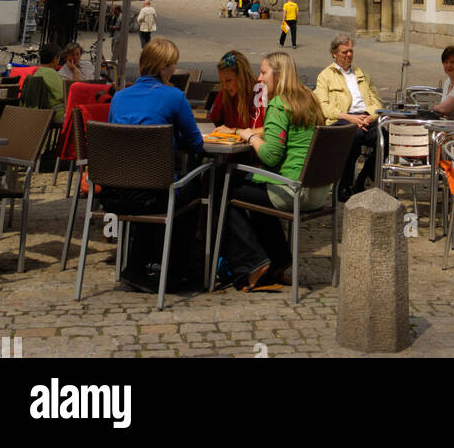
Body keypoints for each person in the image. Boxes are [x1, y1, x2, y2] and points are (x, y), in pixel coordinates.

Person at [106, 37, 205, 292]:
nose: (174, 70)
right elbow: (195, 143)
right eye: (173, 65)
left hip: (114, 191)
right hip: (154, 194)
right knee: (193, 190)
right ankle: (176, 271)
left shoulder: (119, 97)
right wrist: (170, 136)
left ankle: (137, 266)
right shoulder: (173, 96)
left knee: (151, 182)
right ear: (163, 67)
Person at [224, 52, 328, 291]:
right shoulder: (308, 99)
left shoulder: (279, 104)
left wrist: (249, 135)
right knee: (254, 187)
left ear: (278, 75)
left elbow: (271, 155)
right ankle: (278, 260)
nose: (259, 79)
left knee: (225, 187)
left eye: (263, 72)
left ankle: (253, 262)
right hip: (317, 191)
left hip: (292, 190)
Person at [313, 34, 383, 201]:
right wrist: (349, 118)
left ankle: (362, 179)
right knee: (354, 135)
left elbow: (377, 101)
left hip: (365, 118)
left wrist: (368, 116)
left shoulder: (362, 74)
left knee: (384, 137)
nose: (349, 55)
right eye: (344, 52)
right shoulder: (325, 76)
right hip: (341, 120)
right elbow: (322, 106)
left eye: (351, 51)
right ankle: (343, 186)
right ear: (334, 53)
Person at [209, 51, 264, 130]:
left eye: (228, 81)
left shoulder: (260, 92)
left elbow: (272, 130)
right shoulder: (224, 94)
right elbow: (213, 122)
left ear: (241, 77)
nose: (224, 86)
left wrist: (236, 132)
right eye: (221, 81)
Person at [20, 43, 66, 121]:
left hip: (40, 114)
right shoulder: (51, 74)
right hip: (56, 114)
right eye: (59, 58)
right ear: (55, 59)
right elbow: (64, 97)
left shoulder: (38, 72)